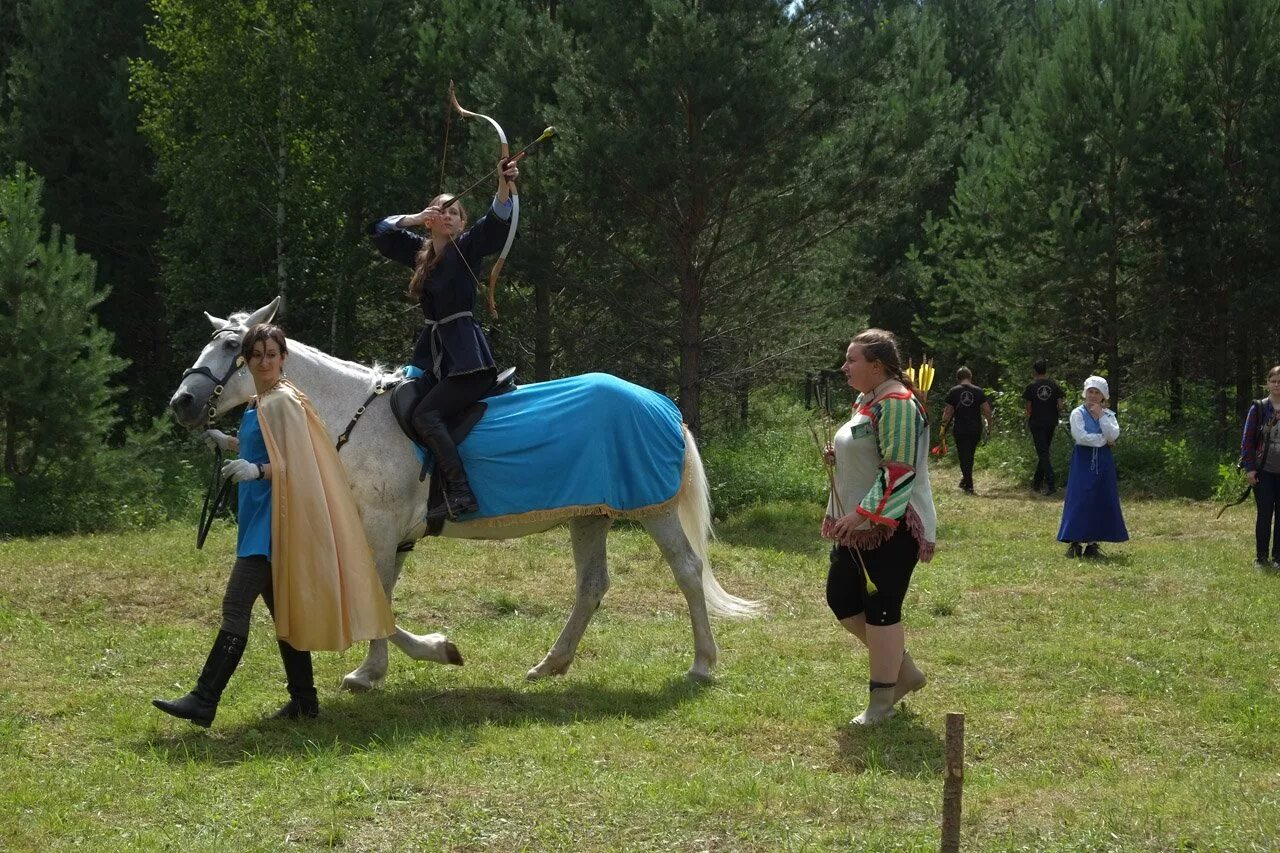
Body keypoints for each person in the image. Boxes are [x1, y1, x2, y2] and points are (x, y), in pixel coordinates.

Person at [153, 324, 395, 727]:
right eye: (257, 355)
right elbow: (270, 443)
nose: (264, 361)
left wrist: (257, 470)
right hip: (259, 520)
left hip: (273, 526)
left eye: (272, 354)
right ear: (245, 360)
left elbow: (303, 463)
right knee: (284, 615)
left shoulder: (281, 400)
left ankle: (203, 699)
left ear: (283, 359)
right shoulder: (259, 401)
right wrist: (229, 443)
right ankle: (304, 700)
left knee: (235, 607)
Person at [368, 158, 521, 521]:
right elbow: (378, 231)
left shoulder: (466, 246)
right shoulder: (419, 251)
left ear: (462, 223)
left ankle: (461, 493)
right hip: (435, 356)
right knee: (400, 403)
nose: (448, 215)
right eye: (442, 209)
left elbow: (497, 223)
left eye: (456, 212)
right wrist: (415, 219)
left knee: (426, 414)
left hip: (467, 359)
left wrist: (504, 183)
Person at [822, 329, 937, 725]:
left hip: (891, 526)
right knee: (842, 600)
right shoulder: (867, 400)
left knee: (881, 609)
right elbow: (870, 448)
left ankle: (882, 701)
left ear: (877, 365)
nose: (844, 366)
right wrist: (840, 455)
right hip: (855, 523)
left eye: (852, 359)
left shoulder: (900, 404)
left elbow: (899, 469)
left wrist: (866, 514)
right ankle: (904, 672)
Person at [1057, 375, 1128, 558]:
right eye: (1091, 392)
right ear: (1085, 393)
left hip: (1103, 462)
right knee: (1080, 498)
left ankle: (1092, 543)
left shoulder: (1108, 415)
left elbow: (1113, 434)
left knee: (1100, 498)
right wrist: (1103, 440)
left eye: (1097, 393)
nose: (1093, 396)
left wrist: (1100, 417)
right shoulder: (1077, 414)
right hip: (1083, 460)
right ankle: (1074, 542)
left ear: (1103, 396)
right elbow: (1081, 437)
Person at [1240, 365, 1280, 568]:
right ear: (1267, 383)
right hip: (1263, 471)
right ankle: (1261, 558)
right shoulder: (1259, 407)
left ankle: (1278, 558)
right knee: (1264, 514)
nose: (1277, 385)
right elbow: (1247, 440)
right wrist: (1250, 468)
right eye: (1273, 381)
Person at [941, 366, 994, 494]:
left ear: (958, 378)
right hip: (975, 428)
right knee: (969, 455)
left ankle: (969, 485)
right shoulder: (978, 391)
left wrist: (942, 427)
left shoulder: (954, 391)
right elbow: (987, 410)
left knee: (964, 456)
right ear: (970, 377)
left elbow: (948, 411)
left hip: (960, 428)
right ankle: (966, 481)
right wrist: (990, 425)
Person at [1023, 359, 1066, 494]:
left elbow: (1029, 407)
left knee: (1043, 453)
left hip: (1037, 423)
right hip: (1051, 422)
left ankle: (1051, 484)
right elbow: (1060, 405)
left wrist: (1028, 418)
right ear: (1045, 370)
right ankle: (1036, 483)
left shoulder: (1031, 387)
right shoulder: (1054, 385)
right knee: (1044, 451)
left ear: (1034, 371)